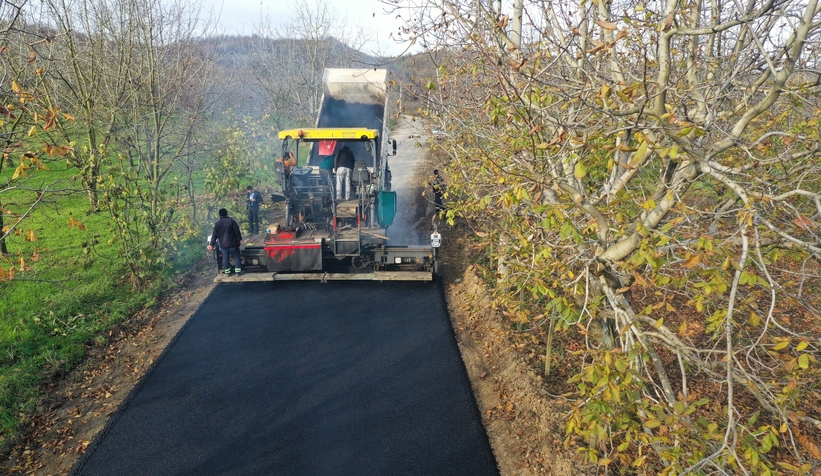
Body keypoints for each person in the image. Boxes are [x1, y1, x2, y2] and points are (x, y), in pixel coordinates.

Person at [208, 208, 243, 275]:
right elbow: (237, 231)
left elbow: (214, 235)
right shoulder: (231, 221)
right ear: (226, 213)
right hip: (233, 243)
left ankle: (228, 272)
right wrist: (240, 239)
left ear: (219, 215)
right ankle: (238, 271)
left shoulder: (217, 224)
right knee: (236, 256)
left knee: (225, 258)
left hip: (224, 245)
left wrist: (211, 244)